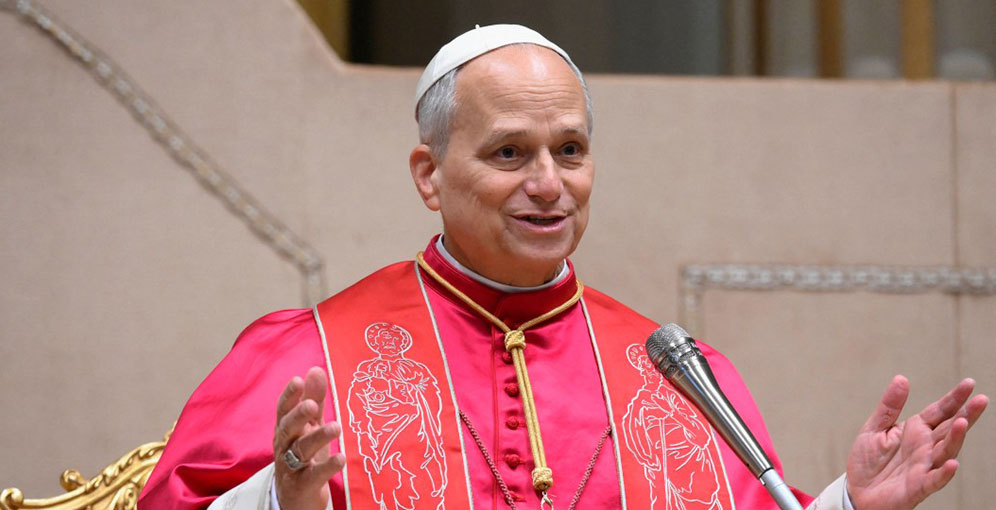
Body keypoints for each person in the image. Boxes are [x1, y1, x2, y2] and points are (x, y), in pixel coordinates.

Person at [139, 24, 988, 510]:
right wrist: (278, 500)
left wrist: (845, 504)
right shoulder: (311, 356)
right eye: (509, 152)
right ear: (429, 176)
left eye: (570, 150)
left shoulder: (674, 374)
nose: (549, 184)